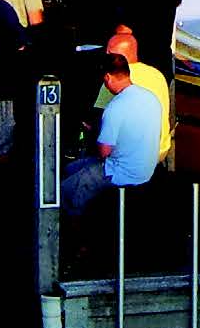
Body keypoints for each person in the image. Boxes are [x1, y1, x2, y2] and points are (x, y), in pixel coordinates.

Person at [63, 52, 165, 224]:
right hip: (145, 169)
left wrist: (94, 132)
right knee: (71, 168)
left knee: (65, 191)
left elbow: (104, 152)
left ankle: (76, 231)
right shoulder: (151, 97)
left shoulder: (115, 107)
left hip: (120, 173)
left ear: (108, 77)